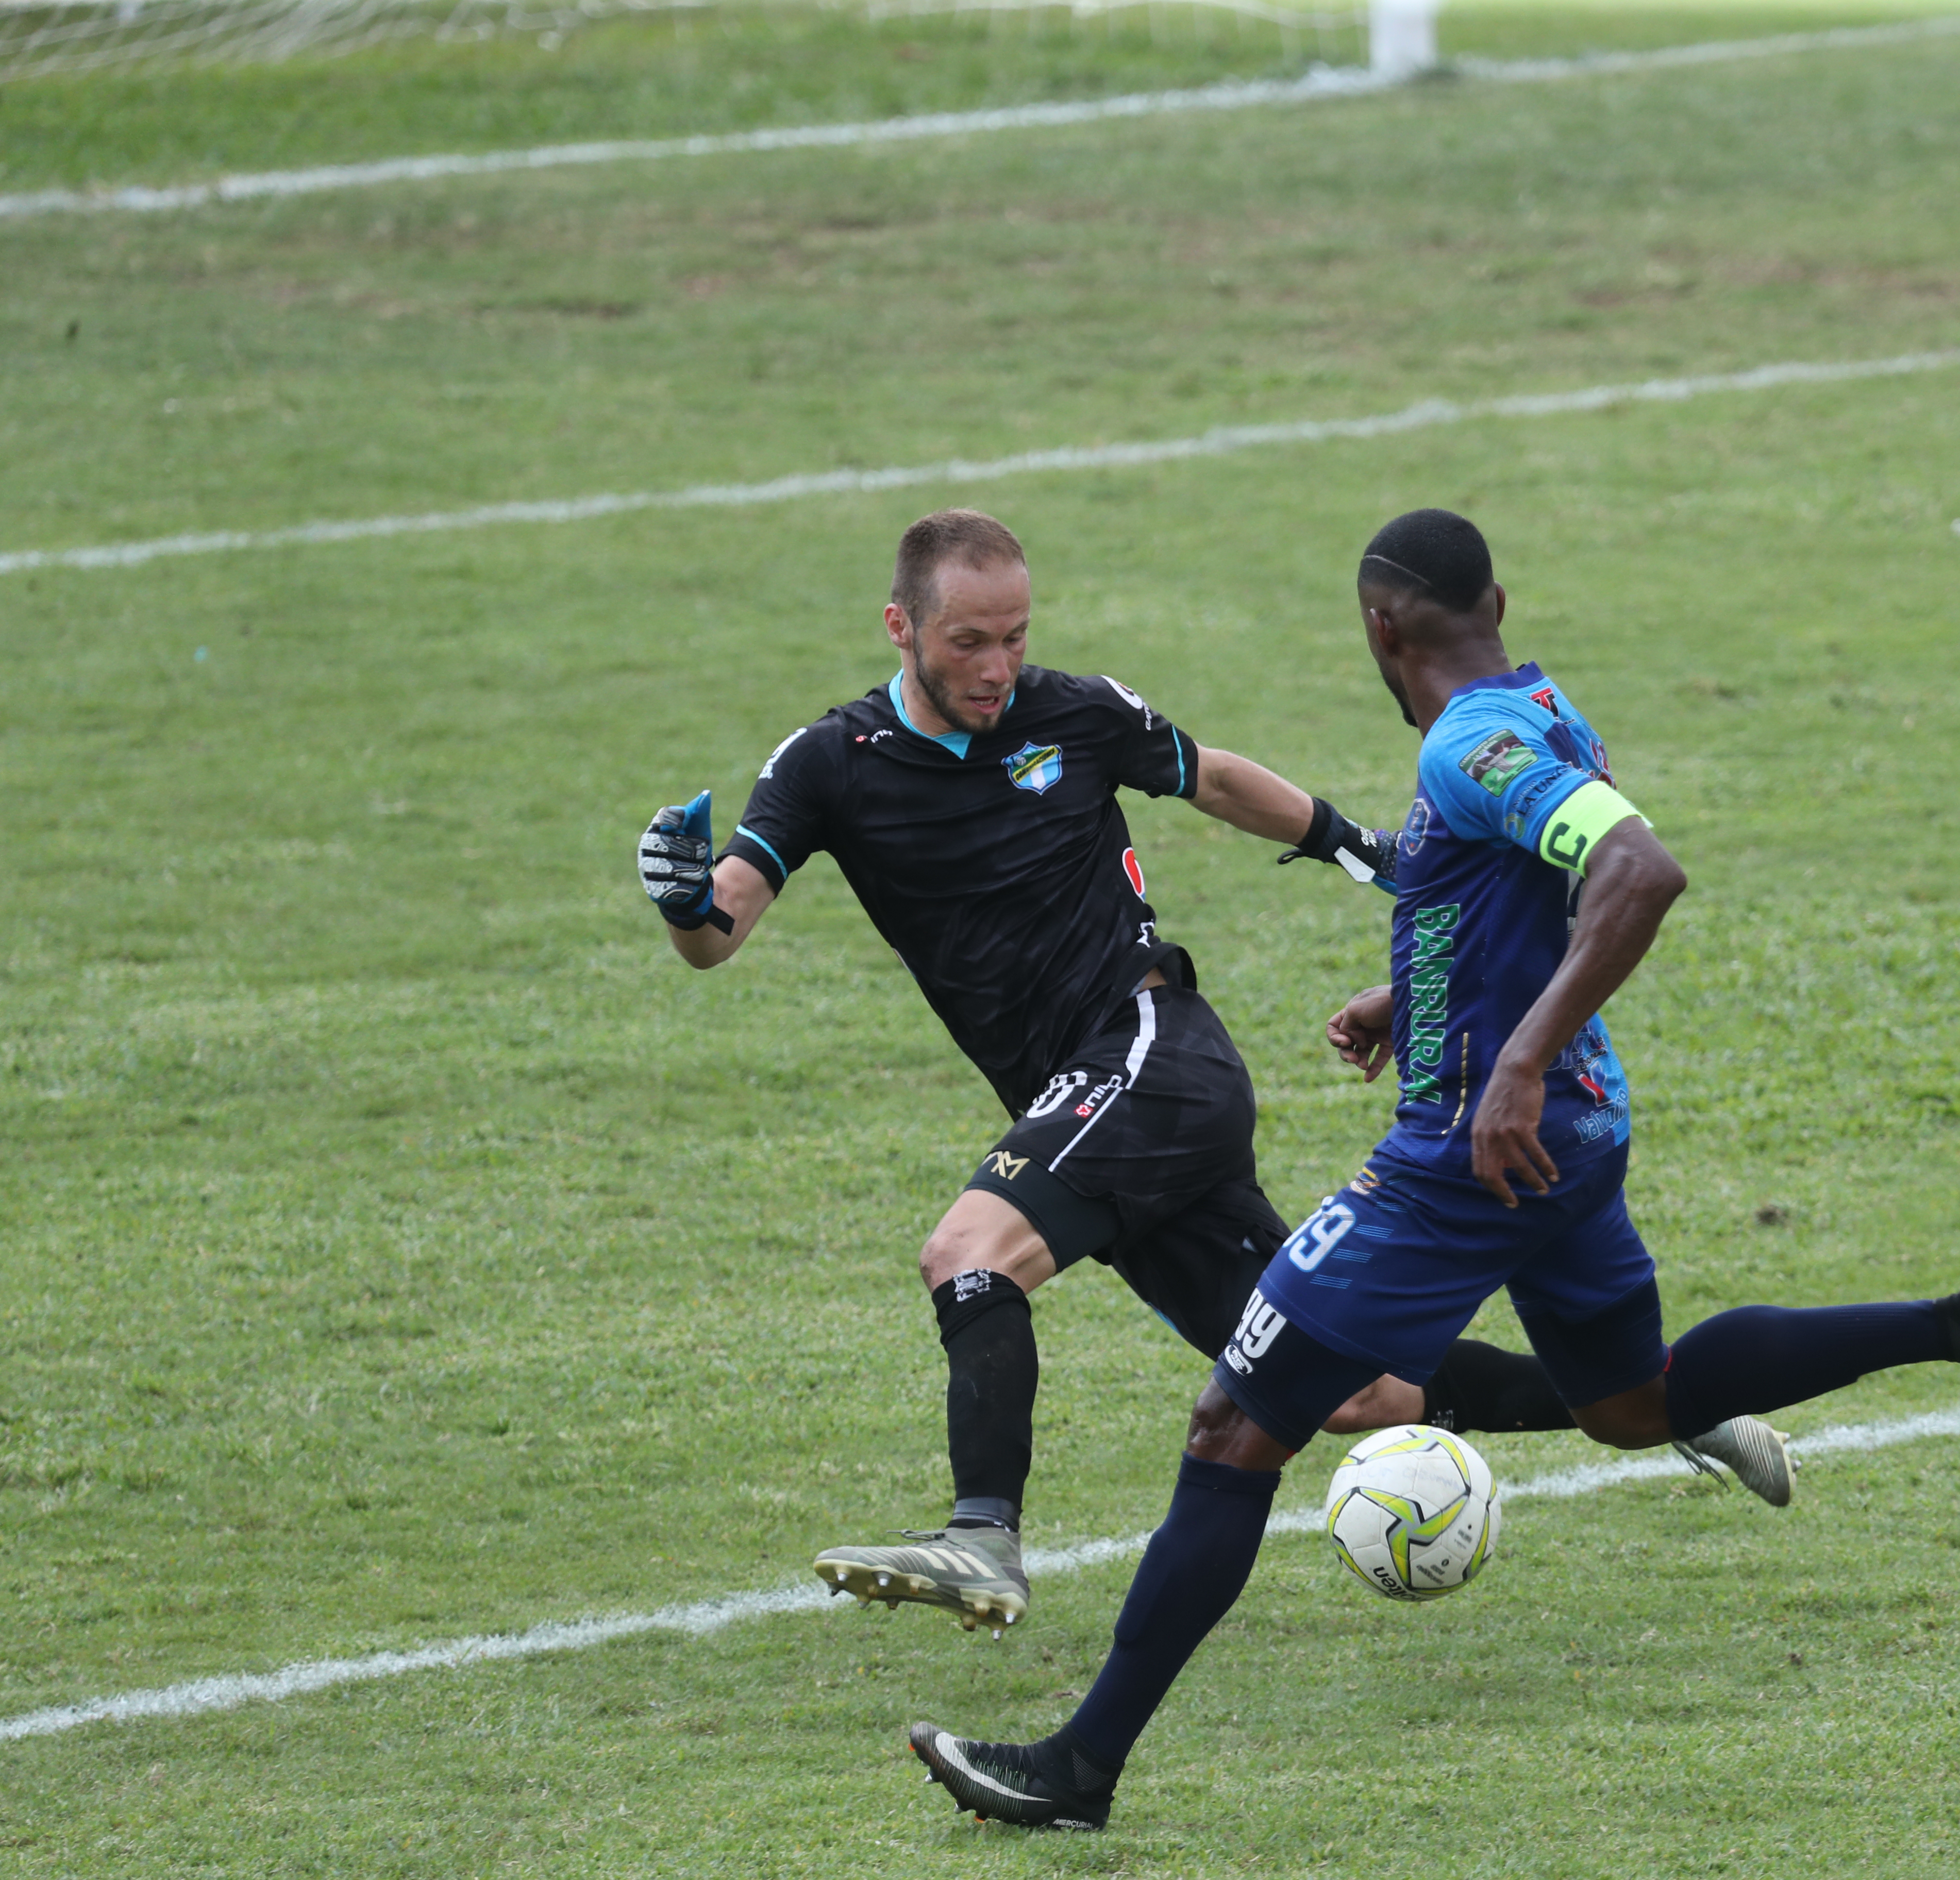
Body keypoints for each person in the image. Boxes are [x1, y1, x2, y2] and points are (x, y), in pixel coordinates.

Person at [903, 508, 1960, 1827]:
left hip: (1465, 1159)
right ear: (1496, 603)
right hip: (1569, 1140)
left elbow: (1638, 874)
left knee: (1233, 1428)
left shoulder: (1465, 744)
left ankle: (1078, 1770)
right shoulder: (1540, 708)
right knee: (1636, 1405)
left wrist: (1518, 1060)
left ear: (1381, 628)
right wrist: (1417, 996)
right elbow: (1529, 894)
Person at [634, 509, 1783, 1638]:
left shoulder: (1075, 713)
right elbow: (718, 933)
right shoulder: (831, 764)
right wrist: (684, 899)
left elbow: (1215, 778)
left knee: (968, 1252)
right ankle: (1666, 1403)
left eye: (1015, 637)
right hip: (1084, 1107)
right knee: (1350, 1392)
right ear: (901, 627)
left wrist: (1363, 849)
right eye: (968, 643)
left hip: (1150, 1054)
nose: (997, 669)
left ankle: (983, 1535)